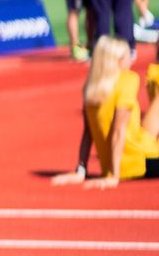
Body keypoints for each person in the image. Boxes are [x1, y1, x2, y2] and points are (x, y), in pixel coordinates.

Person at [52, 36, 159, 187]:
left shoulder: (91, 88)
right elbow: (118, 131)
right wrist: (115, 176)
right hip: (140, 160)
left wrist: (81, 170)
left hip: (110, 166)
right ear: (119, 60)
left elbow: (88, 134)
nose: (131, 61)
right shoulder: (127, 80)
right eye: (128, 56)